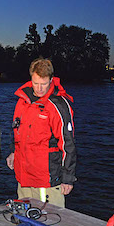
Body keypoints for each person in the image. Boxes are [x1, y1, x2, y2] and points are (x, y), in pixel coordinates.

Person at [6, 58, 76, 207]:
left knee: (51, 222)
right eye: (36, 83)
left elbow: (68, 144)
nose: (39, 88)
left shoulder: (58, 105)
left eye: (44, 84)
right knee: (25, 218)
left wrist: (67, 178)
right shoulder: (22, 100)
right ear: (31, 78)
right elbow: (17, 130)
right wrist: (13, 152)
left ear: (51, 80)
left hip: (46, 179)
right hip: (23, 176)